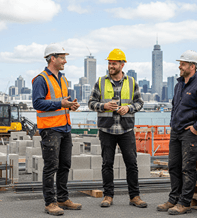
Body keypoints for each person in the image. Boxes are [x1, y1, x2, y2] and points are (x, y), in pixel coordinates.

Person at [157, 50, 197, 215]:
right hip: (176, 132)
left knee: (187, 167)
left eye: (182, 64)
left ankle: (184, 203)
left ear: (192, 66)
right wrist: (172, 124)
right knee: (173, 166)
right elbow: (175, 107)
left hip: (190, 133)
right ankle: (173, 199)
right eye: (180, 63)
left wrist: (196, 127)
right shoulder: (178, 85)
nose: (179, 66)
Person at [88, 48, 147, 208]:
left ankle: (134, 196)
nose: (110, 66)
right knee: (107, 163)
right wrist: (104, 105)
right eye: (109, 63)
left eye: (113, 63)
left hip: (126, 129)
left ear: (122, 65)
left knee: (132, 164)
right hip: (106, 130)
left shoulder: (132, 82)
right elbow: (91, 103)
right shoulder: (100, 82)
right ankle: (108, 196)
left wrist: (128, 108)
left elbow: (140, 103)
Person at [32, 43, 81, 216]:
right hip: (50, 129)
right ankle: (50, 202)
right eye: (62, 57)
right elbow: (37, 103)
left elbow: (61, 102)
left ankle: (62, 198)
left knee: (64, 165)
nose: (65, 61)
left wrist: (70, 106)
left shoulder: (62, 78)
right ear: (52, 58)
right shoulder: (41, 79)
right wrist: (61, 103)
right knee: (51, 166)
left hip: (64, 127)